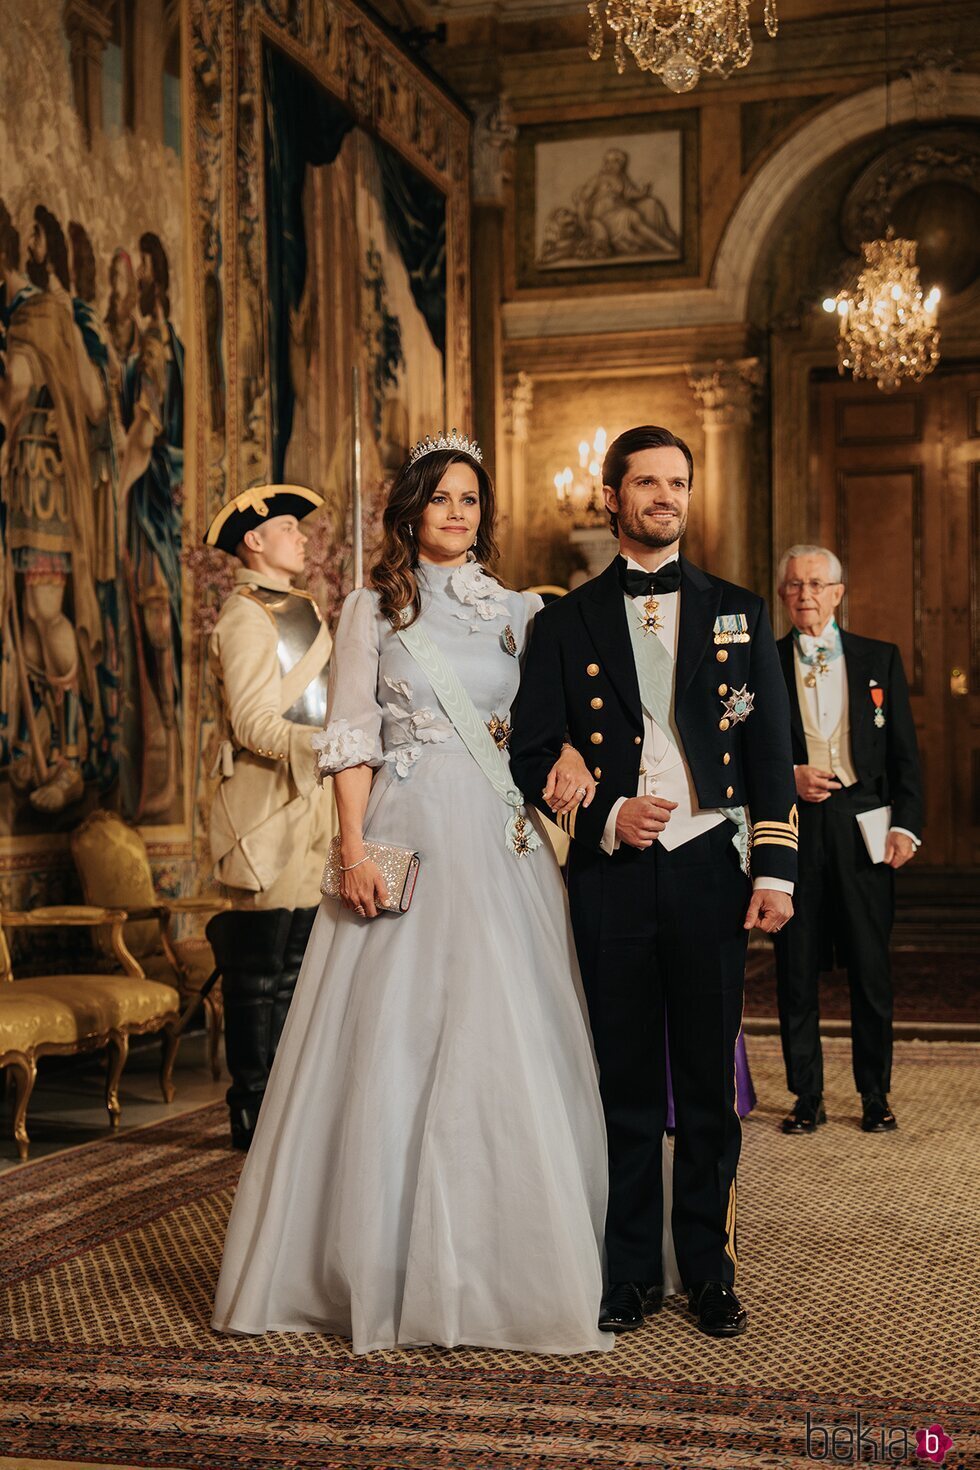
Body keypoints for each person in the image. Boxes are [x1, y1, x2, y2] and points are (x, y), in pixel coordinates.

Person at [212, 433, 671, 1354]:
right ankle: (377, 1262)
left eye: (470, 500)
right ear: (411, 510)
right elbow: (348, 737)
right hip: (406, 830)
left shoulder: (520, 610)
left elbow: (548, 728)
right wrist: (352, 848)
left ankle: (514, 1260)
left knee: (508, 1034)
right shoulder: (371, 610)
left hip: (502, 841)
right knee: (393, 1042)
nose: (457, 513)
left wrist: (577, 755)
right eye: (442, 499)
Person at [510, 425, 798, 1340]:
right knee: (625, 1083)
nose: (666, 497)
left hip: (713, 869)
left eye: (678, 483)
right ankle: (631, 1273)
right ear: (613, 497)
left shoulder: (741, 611)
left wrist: (777, 868)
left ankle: (709, 1271)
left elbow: (769, 750)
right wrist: (601, 818)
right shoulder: (563, 622)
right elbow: (529, 752)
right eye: (647, 483)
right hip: (615, 879)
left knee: (708, 1085)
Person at [774, 545, 923, 1136]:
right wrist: (788, 775)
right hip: (794, 830)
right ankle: (806, 1096)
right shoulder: (764, 660)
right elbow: (745, 750)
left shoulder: (878, 659)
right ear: (782, 595)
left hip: (865, 827)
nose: (804, 595)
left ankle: (875, 1094)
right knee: (796, 966)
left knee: (870, 968)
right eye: (793, 586)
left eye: (816, 584)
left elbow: (906, 756)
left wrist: (907, 825)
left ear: (838, 592)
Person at [204, 484, 336, 1151]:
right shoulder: (246, 615)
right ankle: (250, 1107)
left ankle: (285, 1106)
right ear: (254, 540)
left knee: (298, 966)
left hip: (313, 805)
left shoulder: (304, 610)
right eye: (290, 527)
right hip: (265, 810)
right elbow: (252, 719)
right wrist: (326, 745)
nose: (303, 536)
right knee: (258, 974)